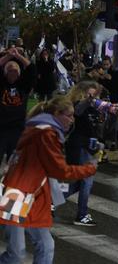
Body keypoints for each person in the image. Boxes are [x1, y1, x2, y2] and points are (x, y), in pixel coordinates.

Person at [0, 96, 96, 264]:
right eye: (69, 115)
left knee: (43, 246)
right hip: (17, 195)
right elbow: (59, 170)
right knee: (17, 254)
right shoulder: (46, 133)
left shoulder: (40, 129)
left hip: (27, 195)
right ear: (57, 114)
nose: (72, 120)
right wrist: (89, 168)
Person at [64, 81, 105, 227]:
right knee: (86, 181)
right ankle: (81, 215)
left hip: (91, 147)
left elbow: (97, 127)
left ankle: (50, 201)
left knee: (78, 183)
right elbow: (78, 111)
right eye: (90, 94)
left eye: (94, 95)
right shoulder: (76, 105)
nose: (93, 97)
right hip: (80, 146)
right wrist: (89, 100)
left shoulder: (94, 108)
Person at [0, 47, 36, 163]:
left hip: (18, 128)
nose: (13, 73)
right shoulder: (2, 84)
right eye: (10, 70)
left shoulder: (23, 86)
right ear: (5, 73)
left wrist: (18, 56)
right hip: (1, 128)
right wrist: (9, 56)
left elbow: (32, 69)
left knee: (15, 162)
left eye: (15, 71)